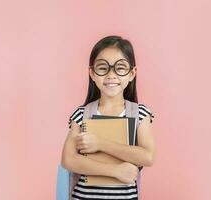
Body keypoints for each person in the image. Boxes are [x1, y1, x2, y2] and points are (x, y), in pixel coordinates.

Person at [61, 35, 155, 199]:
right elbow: (68, 160)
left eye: (120, 68)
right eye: (103, 68)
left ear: (132, 73)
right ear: (92, 73)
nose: (111, 75)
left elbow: (148, 156)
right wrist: (115, 171)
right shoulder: (81, 114)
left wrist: (100, 143)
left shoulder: (140, 113)